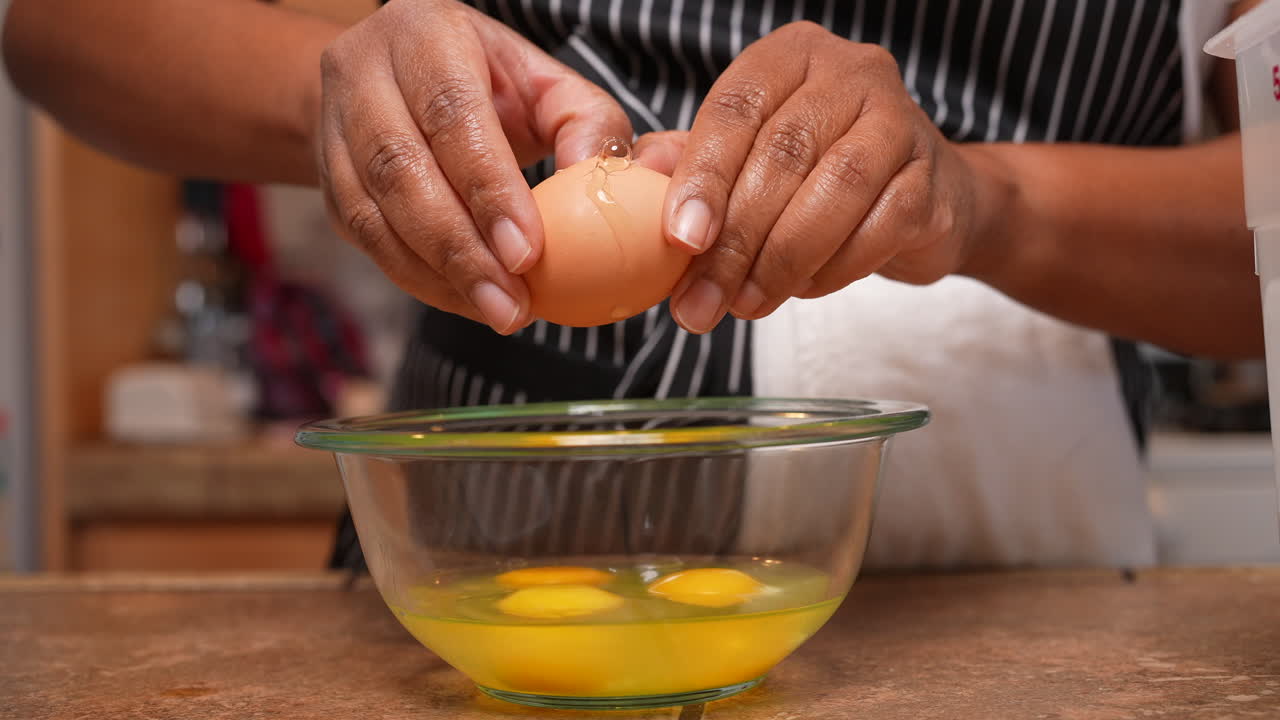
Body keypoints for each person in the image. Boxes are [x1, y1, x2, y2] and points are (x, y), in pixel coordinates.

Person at [2, 0, 1262, 568]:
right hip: (489, 578)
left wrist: (988, 198)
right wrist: (335, 90)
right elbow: (55, 22)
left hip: (1020, 586)